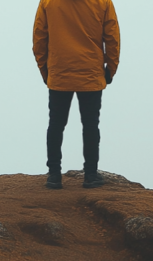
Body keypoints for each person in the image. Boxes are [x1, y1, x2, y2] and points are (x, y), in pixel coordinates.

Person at [33, 0, 120, 189]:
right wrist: (110, 69)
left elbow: (39, 39)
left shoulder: (48, 2)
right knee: (90, 125)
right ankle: (90, 175)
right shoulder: (103, 2)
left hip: (59, 72)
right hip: (90, 72)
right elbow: (112, 38)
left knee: (56, 124)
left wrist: (45, 71)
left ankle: (54, 176)